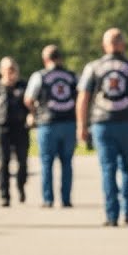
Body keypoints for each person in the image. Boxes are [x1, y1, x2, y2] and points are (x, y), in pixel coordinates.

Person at [76, 28, 128, 226]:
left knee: (108, 169)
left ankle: (111, 215)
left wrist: (82, 125)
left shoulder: (93, 67)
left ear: (105, 45)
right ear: (123, 44)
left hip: (102, 124)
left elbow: (83, 98)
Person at [25, 45, 78, 208]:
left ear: (45, 59)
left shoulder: (39, 76)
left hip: (47, 124)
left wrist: (34, 112)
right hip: (69, 123)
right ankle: (66, 199)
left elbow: (28, 99)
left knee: (47, 163)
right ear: (61, 58)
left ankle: (48, 199)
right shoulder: (72, 76)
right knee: (67, 162)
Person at [0, 57, 30, 207]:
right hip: (3, 129)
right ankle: (5, 195)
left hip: (21, 128)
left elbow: (31, 105)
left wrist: (32, 116)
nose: (10, 73)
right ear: (1, 71)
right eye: (7, 69)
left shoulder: (23, 85)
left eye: (13, 69)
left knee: (22, 162)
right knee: (4, 162)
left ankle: (21, 186)